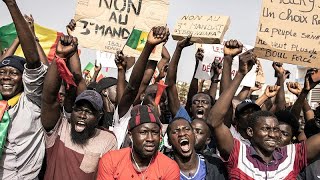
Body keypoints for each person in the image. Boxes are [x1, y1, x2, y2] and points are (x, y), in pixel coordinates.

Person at [208, 50, 320, 179]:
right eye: (265, 129)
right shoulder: (238, 153)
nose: (272, 134)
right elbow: (214, 121)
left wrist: (305, 92)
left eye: (276, 129)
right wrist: (240, 74)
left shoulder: (291, 157)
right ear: (250, 132)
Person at [41, 35, 117, 179]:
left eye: (89, 112)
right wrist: (60, 57)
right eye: (79, 109)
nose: (82, 115)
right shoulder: (59, 128)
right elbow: (49, 98)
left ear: (98, 117)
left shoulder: (107, 140)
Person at [0, 0, 48, 179]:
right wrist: (17, 39)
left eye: (13, 73)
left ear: (23, 80)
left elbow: (35, 63)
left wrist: (11, 5)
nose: (6, 77)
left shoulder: (31, 101)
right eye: (3, 73)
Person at [112, 26, 170, 148]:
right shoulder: (124, 114)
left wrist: (157, 46)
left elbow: (145, 80)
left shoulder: (151, 120)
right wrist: (149, 46)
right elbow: (134, 86)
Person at [97, 105, 180, 180]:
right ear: (130, 135)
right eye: (143, 132)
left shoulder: (169, 167)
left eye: (155, 132)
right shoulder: (111, 160)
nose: (150, 139)